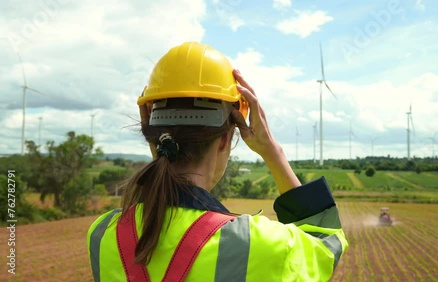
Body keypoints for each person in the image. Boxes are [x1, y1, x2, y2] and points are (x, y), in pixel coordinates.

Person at [87, 42, 348, 281]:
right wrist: (273, 152)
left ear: (151, 132)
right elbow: (325, 240)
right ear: (225, 140)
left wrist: (161, 146)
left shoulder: (102, 234)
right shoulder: (258, 244)